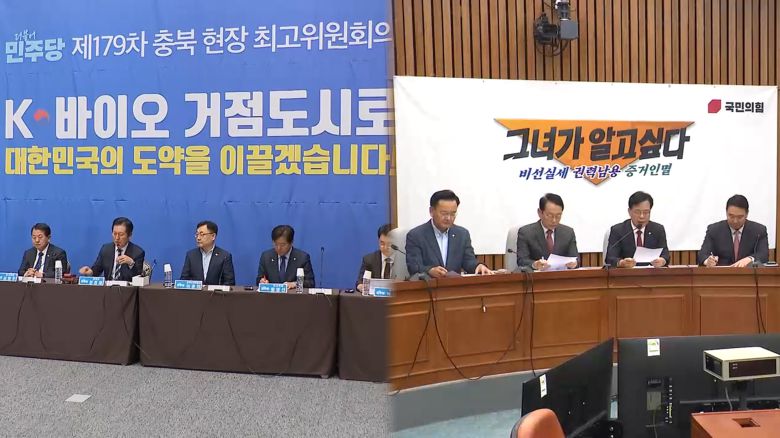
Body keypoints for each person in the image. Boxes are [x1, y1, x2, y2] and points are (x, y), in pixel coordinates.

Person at [405, 189, 492, 278]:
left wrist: (478, 266)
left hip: (454, 285)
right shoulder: (416, 236)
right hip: (429, 285)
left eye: (453, 214)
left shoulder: (462, 234)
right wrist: (429, 271)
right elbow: (414, 267)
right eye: (444, 213)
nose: (449, 218)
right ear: (431, 211)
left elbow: (469, 261)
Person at [697, 195, 769, 267]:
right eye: (731, 216)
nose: (735, 221)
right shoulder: (714, 230)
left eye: (740, 217)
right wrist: (708, 261)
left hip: (747, 272)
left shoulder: (758, 231)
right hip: (722, 273)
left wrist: (750, 259)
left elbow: (764, 255)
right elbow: (702, 255)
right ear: (726, 212)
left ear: (747, 214)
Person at [605, 191, 669, 268]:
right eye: (637, 212)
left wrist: (662, 261)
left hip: (651, 274)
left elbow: (665, 255)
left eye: (646, 212)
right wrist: (622, 263)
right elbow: (610, 258)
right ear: (629, 212)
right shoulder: (618, 230)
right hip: (626, 274)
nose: (642, 216)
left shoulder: (658, 230)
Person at [516, 193, 579, 271]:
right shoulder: (526, 233)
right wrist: (534, 264)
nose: (554, 220)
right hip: (537, 277)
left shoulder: (568, 233)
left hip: (561, 277)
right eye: (550, 215)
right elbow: (522, 261)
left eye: (558, 216)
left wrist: (574, 264)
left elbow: (575, 259)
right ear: (540, 213)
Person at [79, 217, 145, 281]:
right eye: (114, 234)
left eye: (121, 234)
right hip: (108, 287)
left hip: (127, 288)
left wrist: (131, 264)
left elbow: (139, 278)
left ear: (130, 235)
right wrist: (90, 272)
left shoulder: (138, 252)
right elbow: (97, 270)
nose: (117, 238)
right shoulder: (106, 249)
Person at [180, 220, 235, 285]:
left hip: (216, 291)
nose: (198, 238)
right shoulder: (191, 255)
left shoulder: (224, 256)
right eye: (197, 234)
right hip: (195, 292)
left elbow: (229, 283)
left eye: (202, 234)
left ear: (213, 236)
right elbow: (183, 281)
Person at [355, 224, 402, 291]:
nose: (385, 247)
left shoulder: (404, 262)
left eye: (389, 244)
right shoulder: (369, 260)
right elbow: (360, 282)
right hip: (375, 296)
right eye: (382, 243)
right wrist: (361, 286)